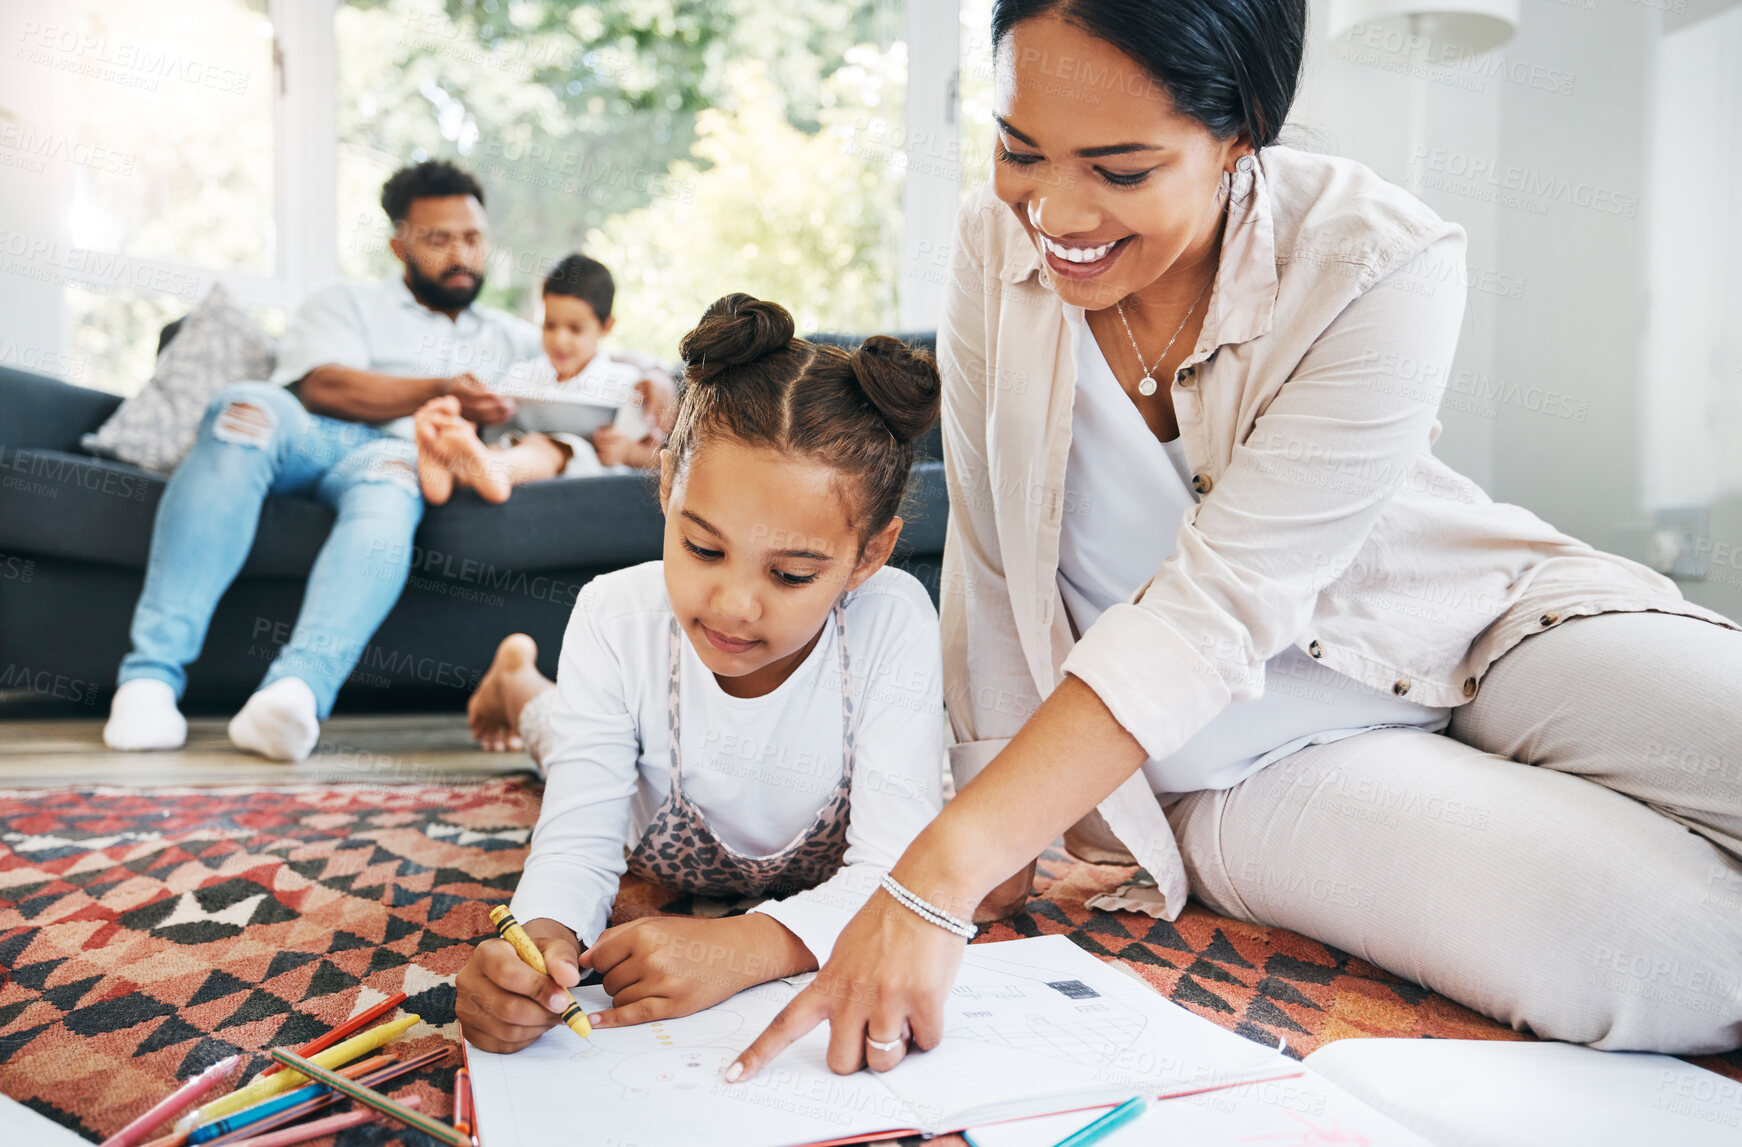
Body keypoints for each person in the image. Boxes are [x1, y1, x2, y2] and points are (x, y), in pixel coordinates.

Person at [730, 0, 1742, 1081]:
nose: (1054, 208)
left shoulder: (1375, 256)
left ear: (1241, 130)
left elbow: (1220, 600)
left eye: (1120, 171)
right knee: (1683, 954)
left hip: (1473, 617)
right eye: (1019, 149)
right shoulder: (995, 240)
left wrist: (937, 865)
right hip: (1240, 762)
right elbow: (983, 552)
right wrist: (1003, 829)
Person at [455, 294, 949, 1051]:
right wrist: (540, 943)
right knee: (560, 740)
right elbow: (579, 838)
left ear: (870, 556)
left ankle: (524, 683)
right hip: (643, 811)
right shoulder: (614, 616)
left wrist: (748, 946)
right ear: (665, 489)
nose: (733, 606)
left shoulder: (895, 618)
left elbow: (897, 870)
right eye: (703, 548)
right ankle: (517, 681)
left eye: (789, 574)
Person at [102, 161, 541, 761]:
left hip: (394, 458)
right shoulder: (345, 302)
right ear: (398, 245)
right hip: (310, 435)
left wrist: (653, 387)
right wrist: (441, 388)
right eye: (439, 239)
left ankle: (293, 693)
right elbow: (321, 387)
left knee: (393, 488)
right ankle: (149, 680)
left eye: (471, 238)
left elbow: (595, 375)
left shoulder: (513, 338)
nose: (460, 254)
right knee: (245, 406)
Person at [415, 253, 672, 504]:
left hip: (583, 471)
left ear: (606, 326)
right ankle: (445, 474)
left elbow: (660, 457)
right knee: (498, 450)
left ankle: (492, 471)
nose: (560, 340)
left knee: (547, 446)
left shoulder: (626, 381)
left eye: (575, 329)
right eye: (549, 325)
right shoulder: (522, 373)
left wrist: (628, 452)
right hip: (513, 452)